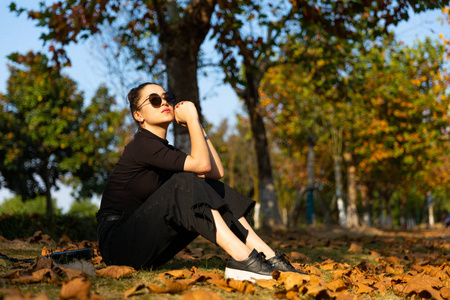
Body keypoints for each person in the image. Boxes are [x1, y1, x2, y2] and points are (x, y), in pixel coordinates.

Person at [96, 82, 303, 282]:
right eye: (155, 100)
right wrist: (193, 119)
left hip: (145, 245)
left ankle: (266, 255)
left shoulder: (163, 150)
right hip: (118, 245)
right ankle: (242, 258)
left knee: (209, 186)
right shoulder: (142, 145)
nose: (165, 103)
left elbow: (215, 172)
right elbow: (202, 165)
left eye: (167, 98)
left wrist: (198, 126)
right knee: (185, 180)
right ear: (138, 115)